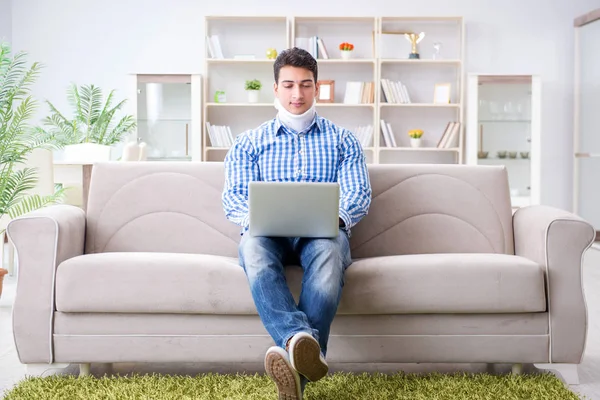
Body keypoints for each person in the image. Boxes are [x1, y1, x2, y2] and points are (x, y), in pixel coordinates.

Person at [221, 47, 372, 400]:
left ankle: (295, 370)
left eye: (305, 85)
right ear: (275, 89)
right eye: (288, 85)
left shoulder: (343, 141)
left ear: (317, 88)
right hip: (267, 235)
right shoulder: (248, 143)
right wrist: (253, 218)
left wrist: (334, 217)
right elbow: (233, 199)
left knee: (330, 251)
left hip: (321, 232)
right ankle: (300, 343)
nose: (297, 94)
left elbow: (358, 194)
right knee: (253, 248)